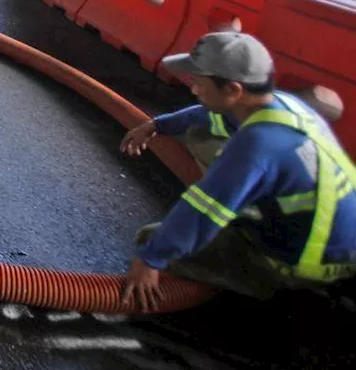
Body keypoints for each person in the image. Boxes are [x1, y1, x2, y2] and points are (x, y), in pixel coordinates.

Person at [118, 32, 356, 309]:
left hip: (309, 263)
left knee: (151, 238)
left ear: (232, 90)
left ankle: (272, 287)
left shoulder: (257, 145)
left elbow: (203, 211)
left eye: (199, 84)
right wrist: (156, 126)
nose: (193, 89)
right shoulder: (285, 106)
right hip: (341, 242)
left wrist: (150, 260)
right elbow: (205, 114)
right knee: (200, 132)